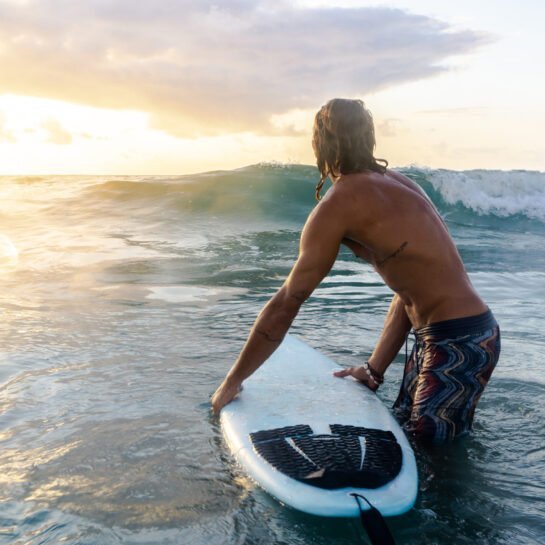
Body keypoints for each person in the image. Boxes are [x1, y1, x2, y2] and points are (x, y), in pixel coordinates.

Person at [211, 98, 500, 444]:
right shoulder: (403, 184)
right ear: (368, 137)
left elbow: (289, 300)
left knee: (433, 456)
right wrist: (374, 370)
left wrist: (233, 380)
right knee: (413, 440)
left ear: (320, 144)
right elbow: (408, 292)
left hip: (457, 341)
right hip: (463, 334)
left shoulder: (338, 204)